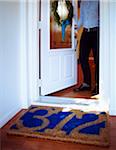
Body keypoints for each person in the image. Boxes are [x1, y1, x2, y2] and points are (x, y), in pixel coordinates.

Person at [74, 0, 99, 95]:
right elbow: (82, 20)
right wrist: (73, 24)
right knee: (82, 58)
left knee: (97, 60)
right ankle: (86, 83)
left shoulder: (98, 1)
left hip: (96, 32)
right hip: (85, 32)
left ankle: (98, 86)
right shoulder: (83, 2)